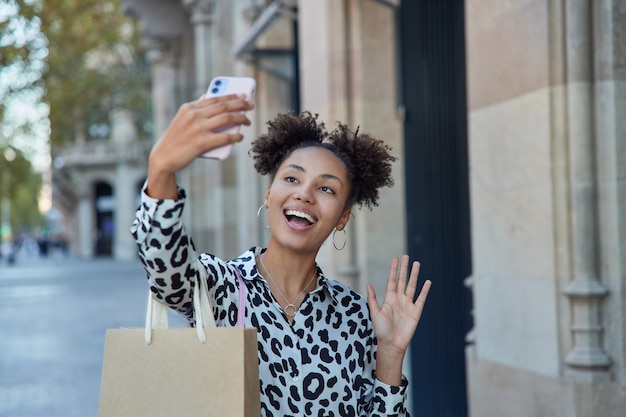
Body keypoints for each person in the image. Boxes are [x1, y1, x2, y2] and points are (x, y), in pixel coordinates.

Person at [131, 93, 431, 416]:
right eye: (291, 178)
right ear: (270, 193)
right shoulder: (221, 286)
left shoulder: (356, 316)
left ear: (343, 217)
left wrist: (389, 353)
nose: (304, 194)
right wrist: (161, 169)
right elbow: (166, 269)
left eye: (326, 188)